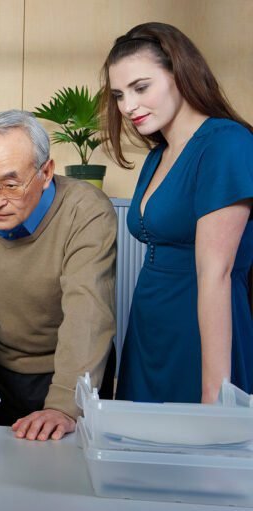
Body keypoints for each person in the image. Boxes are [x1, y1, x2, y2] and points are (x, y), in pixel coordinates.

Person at [0, 110, 117, 440]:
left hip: (71, 367)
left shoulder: (86, 210)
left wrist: (64, 406)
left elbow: (88, 313)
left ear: (46, 172)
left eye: (11, 184)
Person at [102, 22, 253, 403]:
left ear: (180, 74)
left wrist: (214, 394)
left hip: (202, 332)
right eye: (120, 95)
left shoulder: (226, 144)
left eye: (141, 87)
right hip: (150, 327)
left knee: (201, 454)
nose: (128, 106)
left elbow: (215, 273)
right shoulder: (158, 155)